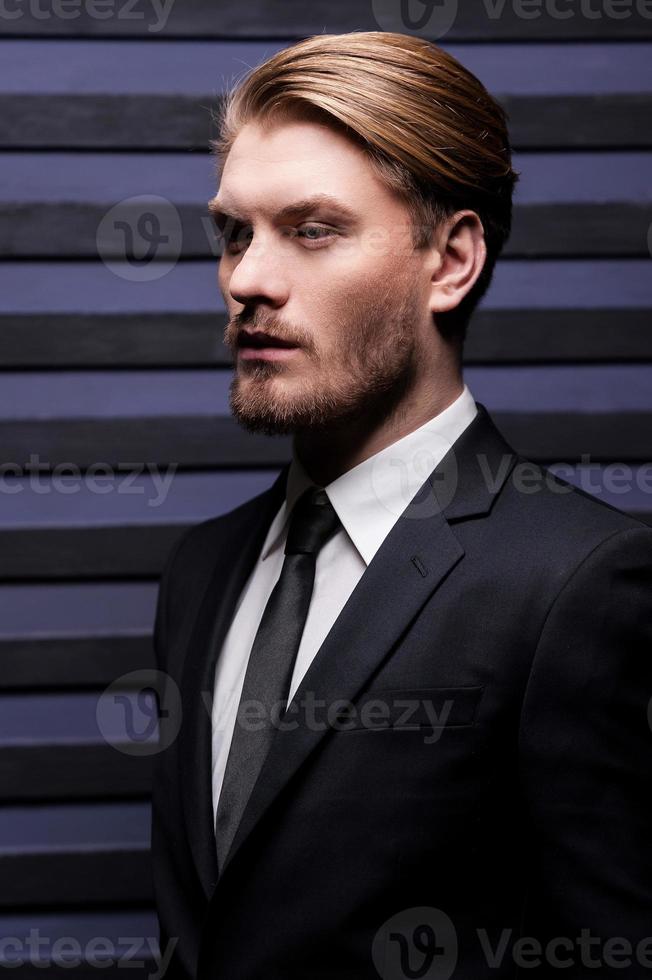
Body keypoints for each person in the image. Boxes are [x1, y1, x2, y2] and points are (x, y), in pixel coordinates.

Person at [150, 31, 652, 979]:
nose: (247, 279)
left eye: (311, 229)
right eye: (234, 233)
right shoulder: (201, 572)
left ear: (451, 261)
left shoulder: (578, 586)